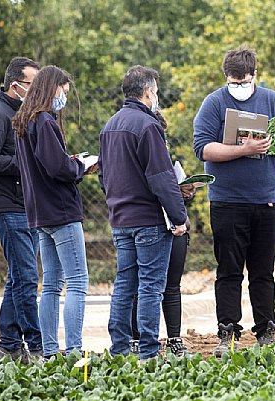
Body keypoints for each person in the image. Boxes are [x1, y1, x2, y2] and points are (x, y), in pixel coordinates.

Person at [193, 46, 275, 357]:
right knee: (230, 270)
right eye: (234, 82)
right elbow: (204, 149)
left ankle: (266, 330)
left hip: (266, 202)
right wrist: (243, 150)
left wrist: (273, 143)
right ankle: (228, 332)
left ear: (254, 75)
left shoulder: (273, 100)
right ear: (226, 78)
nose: (239, 87)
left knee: (264, 271)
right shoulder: (214, 103)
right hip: (227, 202)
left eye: (244, 81)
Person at [99, 65, 187, 361]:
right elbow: (162, 177)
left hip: (121, 219)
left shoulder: (109, 125)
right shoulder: (148, 126)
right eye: (156, 91)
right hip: (149, 220)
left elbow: (104, 176)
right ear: (148, 92)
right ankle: (149, 351)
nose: (157, 96)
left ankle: (120, 348)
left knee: (124, 283)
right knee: (151, 285)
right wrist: (179, 217)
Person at [12, 65, 92, 358]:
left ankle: (48, 351)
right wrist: (81, 166)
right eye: (63, 91)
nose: (64, 97)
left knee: (51, 286)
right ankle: (73, 351)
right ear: (51, 89)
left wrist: (69, 162)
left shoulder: (23, 122)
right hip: (60, 212)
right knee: (78, 281)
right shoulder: (44, 122)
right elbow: (58, 167)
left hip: (40, 213)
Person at [0, 56, 42, 363]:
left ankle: (9, 346)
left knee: (18, 277)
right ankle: (37, 346)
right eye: (34, 84)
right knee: (26, 277)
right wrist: (26, 166)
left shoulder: (22, 114)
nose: (39, 90)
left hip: (25, 207)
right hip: (6, 207)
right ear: (15, 85)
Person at [128, 110, 195, 358]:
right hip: (148, 224)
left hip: (174, 225)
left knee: (172, 285)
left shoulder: (165, 155)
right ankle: (139, 340)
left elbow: (171, 191)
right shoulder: (133, 154)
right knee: (142, 285)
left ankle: (175, 339)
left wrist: (185, 194)